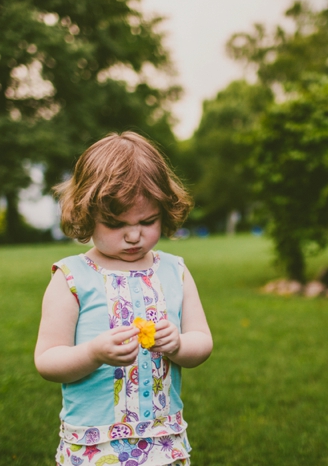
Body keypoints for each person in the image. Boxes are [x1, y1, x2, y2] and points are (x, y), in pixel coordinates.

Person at [35, 132, 213, 466]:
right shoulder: (71, 278)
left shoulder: (175, 271)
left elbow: (202, 342)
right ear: (87, 215)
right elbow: (47, 360)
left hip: (163, 442)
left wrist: (178, 345)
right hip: (94, 447)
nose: (134, 235)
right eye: (116, 224)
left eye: (147, 221)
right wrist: (92, 352)